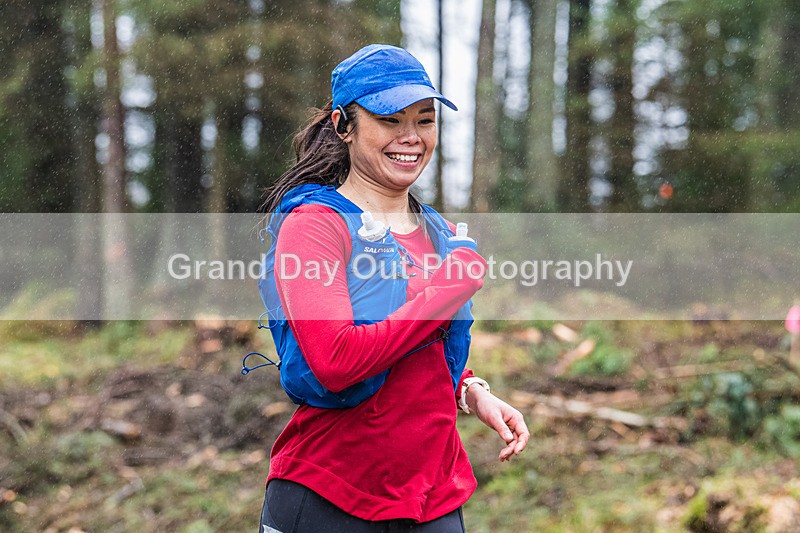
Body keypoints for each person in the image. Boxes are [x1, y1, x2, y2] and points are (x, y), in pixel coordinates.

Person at [257, 44, 529, 533]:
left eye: (425, 120)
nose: (411, 137)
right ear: (344, 125)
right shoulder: (315, 227)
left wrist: (469, 389)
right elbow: (336, 360)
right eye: (390, 119)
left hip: (433, 496)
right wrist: (450, 288)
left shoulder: (436, 231)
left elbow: (417, 341)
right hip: (331, 496)